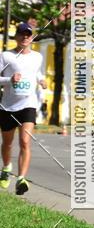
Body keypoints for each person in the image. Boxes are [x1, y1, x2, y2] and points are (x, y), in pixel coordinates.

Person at [0, 23, 47, 195]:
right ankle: (6, 168)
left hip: (28, 104)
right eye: (22, 34)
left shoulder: (37, 57)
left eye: (28, 34)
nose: (25, 37)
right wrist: (9, 80)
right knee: (7, 143)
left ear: (32, 38)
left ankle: (21, 178)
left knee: (25, 142)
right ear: (16, 37)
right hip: (8, 106)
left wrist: (42, 80)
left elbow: (37, 73)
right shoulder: (5, 56)